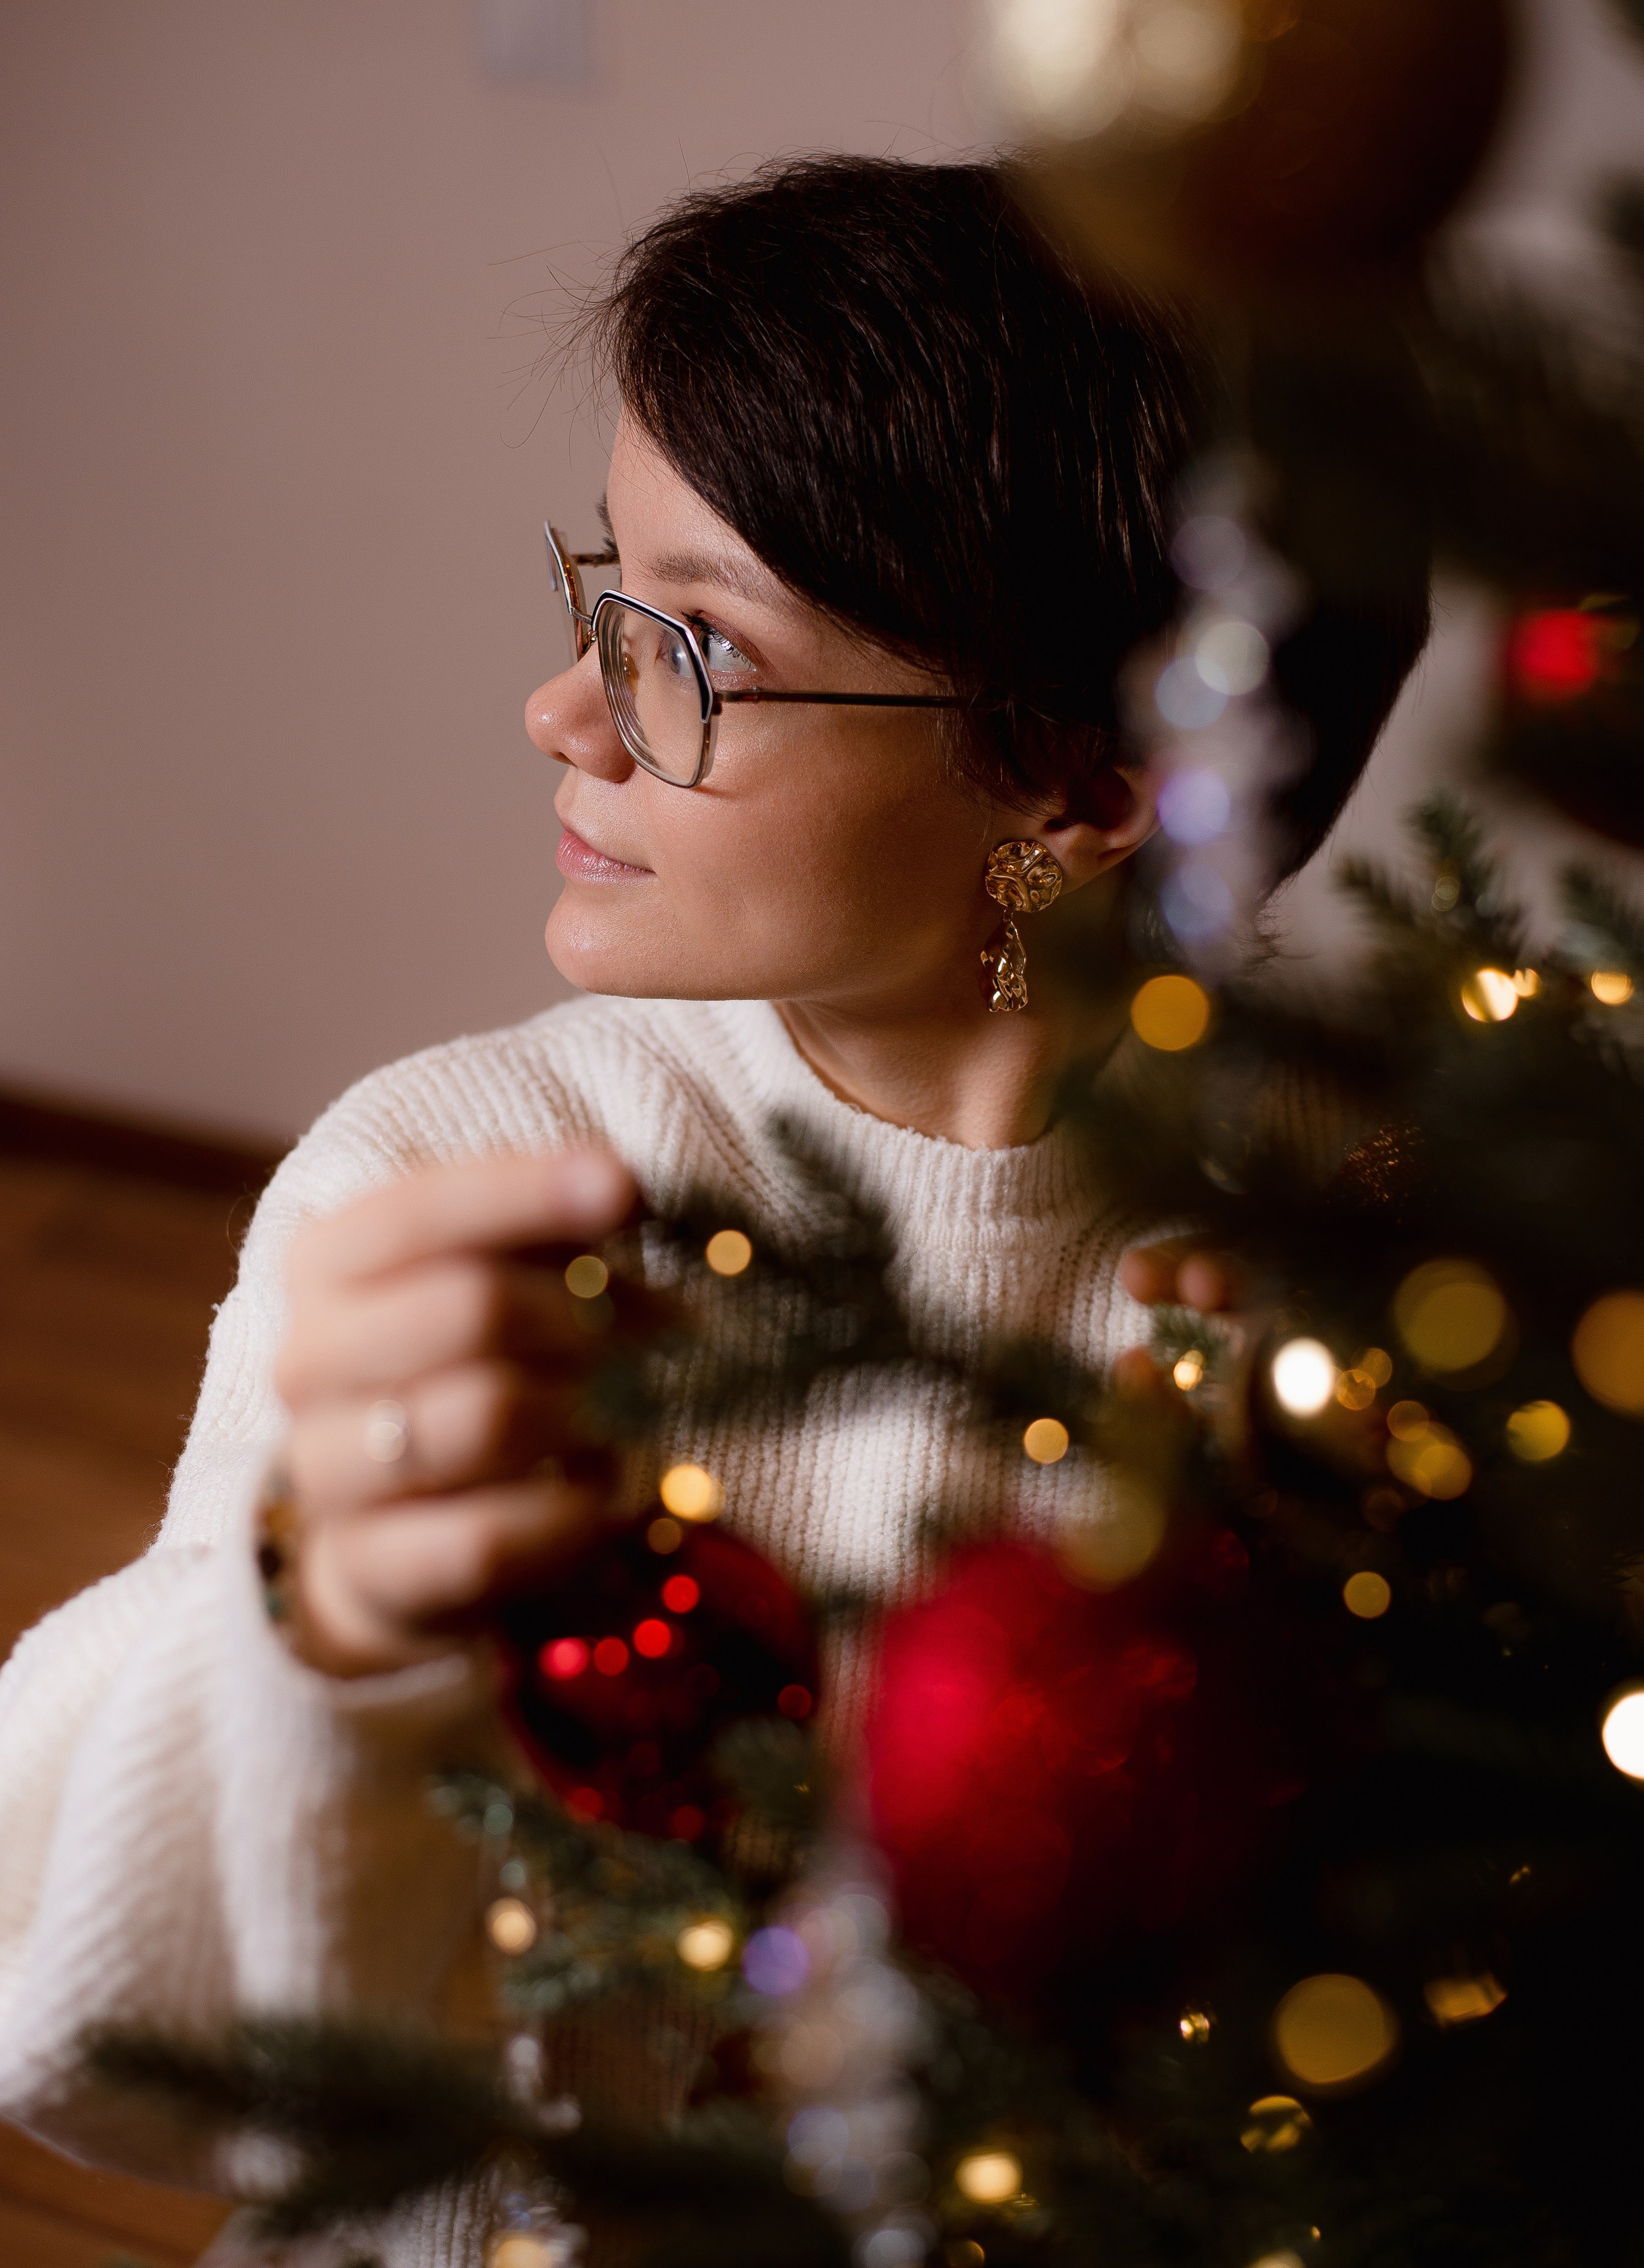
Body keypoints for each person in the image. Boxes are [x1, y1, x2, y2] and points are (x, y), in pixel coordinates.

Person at [0, 157, 1429, 2263]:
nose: (566, 707)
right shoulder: (452, 1187)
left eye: (691, 647)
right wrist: (331, 1630)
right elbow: (100, 2031)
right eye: (605, 594)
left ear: (1084, 788)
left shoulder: (1401, 1265)